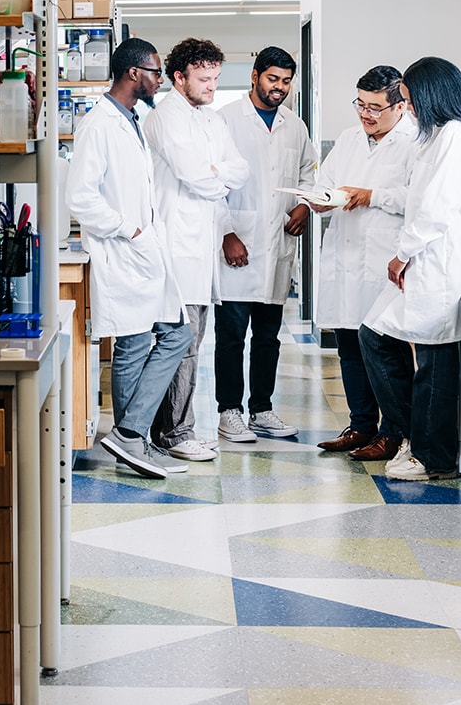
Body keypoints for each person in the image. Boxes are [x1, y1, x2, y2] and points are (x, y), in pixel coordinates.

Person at [66, 37, 193, 479]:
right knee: (137, 343)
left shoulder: (131, 119)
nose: (160, 79)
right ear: (133, 73)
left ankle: (130, 434)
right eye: (156, 72)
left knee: (171, 335)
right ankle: (131, 437)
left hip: (141, 251)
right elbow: (79, 197)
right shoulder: (99, 124)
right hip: (122, 250)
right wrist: (129, 228)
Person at [359, 56, 461, 481]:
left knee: (434, 360)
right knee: (374, 334)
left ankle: (434, 458)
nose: (409, 108)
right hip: (424, 259)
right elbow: (416, 195)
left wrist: (403, 253)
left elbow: (437, 207)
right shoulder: (434, 137)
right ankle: (410, 433)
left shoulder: (460, 135)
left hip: (441, 265)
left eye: (412, 100)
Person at [146, 37, 250, 460]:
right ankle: (174, 434)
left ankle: (177, 428)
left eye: (215, 78)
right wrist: (215, 175)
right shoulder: (166, 118)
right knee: (182, 344)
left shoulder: (210, 120)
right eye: (204, 79)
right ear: (179, 78)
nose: (211, 86)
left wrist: (216, 174)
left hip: (200, 249)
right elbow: (197, 177)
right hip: (176, 249)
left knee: (192, 343)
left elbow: (239, 171)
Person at [310, 66, 419, 459]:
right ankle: (360, 427)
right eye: (361, 104)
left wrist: (373, 195)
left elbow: (417, 199)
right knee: (348, 346)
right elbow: (328, 182)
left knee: (383, 350)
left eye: (375, 107)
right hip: (344, 255)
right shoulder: (348, 138)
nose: (365, 114)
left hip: (382, 261)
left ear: (400, 105)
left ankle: (394, 432)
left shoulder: (415, 142)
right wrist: (319, 199)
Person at [214, 46, 318, 442]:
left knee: (268, 337)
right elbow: (212, 186)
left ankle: (261, 409)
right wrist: (226, 233)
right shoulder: (226, 120)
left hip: (277, 245)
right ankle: (229, 411)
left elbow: (308, 172)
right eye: (273, 78)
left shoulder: (295, 125)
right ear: (255, 75)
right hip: (238, 242)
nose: (280, 87)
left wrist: (305, 206)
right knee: (231, 336)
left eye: (287, 81)